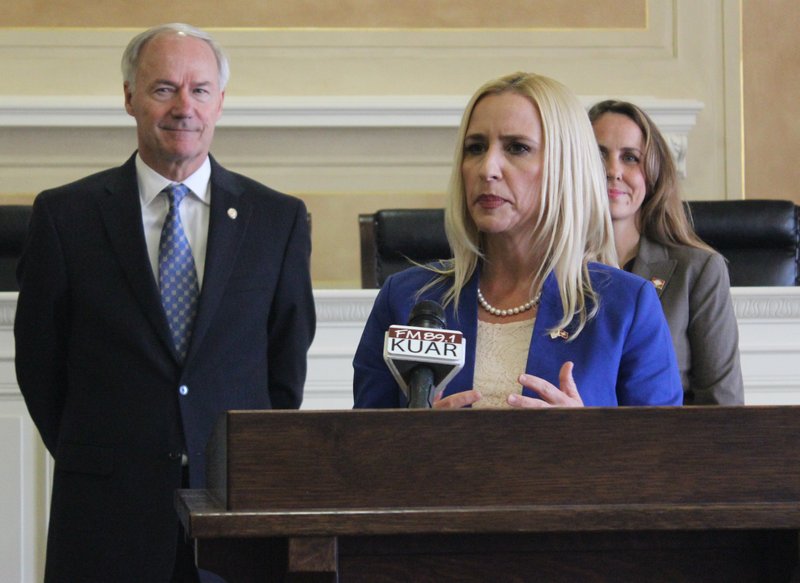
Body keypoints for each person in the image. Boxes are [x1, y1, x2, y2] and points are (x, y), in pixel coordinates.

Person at [14, 23, 315, 583]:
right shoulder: (65, 217)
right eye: (163, 89)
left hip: (234, 515)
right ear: (129, 97)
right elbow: (40, 364)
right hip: (106, 516)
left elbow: (284, 369)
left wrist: (237, 462)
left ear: (220, 102)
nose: (184, 107)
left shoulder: (276, 220)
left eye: (200, 89)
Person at [353, 72, 682, 409]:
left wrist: (588, 442)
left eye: (517, 148)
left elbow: (669, 457)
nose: (488, 168)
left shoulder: (627, 306)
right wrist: (413, 443)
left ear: (565, 166)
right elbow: (358, 451)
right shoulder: (405, 298)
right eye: (476, 148)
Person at [588, 100, 743, 405]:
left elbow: (723, 407)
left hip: (672, 447)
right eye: (598, 154)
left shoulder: (698, 271)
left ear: (652, 174)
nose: (612, 170)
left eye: (630, 157)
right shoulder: (547, 267)